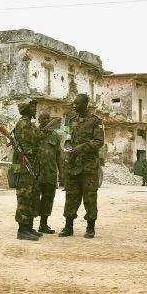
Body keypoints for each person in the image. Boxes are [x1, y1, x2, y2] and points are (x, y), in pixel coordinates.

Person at [59, 93, 104, 239]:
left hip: (89, 166)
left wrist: (82, 147)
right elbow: (68, 138)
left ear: (85, 104)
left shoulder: (95, 121)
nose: (74, 106)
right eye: (74, 103)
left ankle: (90, 228)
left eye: (77, 103)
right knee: (71, 196)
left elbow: (99, 141)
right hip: (73, 166)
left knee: (89, 197)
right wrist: (68, 146)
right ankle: (68, 227)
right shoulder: (71, 121)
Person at [12, 99, 42, 241]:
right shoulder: (23, 124)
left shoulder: (30, 125)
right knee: (24, 197)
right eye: (32, 107)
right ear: (25, 109)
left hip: (31, 166)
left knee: (32, 197)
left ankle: (29, 227)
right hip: (25, 167)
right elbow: (25, 147)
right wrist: (32, 155)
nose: (35, 109)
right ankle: (22, 230)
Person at [35, 111, 64, 234]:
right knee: (34, 199)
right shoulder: (35, 134)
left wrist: (61, 172)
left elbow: (58, 155)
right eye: (43, 118)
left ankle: (43, 224)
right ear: (39, 120)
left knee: (48, 199)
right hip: (36, 172)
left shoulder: (55, 136)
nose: (46, 120)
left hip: (50, 172)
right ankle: (30, 225)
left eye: (48, 118)